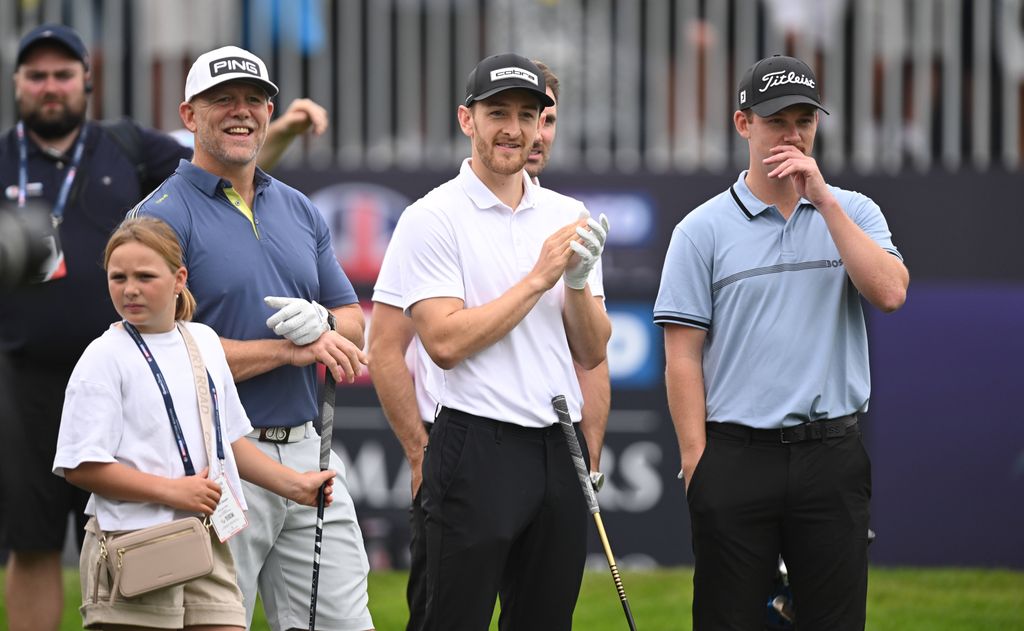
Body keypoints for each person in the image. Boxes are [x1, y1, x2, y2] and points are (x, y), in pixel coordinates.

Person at [0, 23, 327, 631]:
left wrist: (277, 133)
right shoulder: (0, 158)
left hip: (148, 369)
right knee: (35, 539)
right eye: (37, 75)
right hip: (31, 375)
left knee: (146, 533)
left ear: (86, 80)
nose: (51, 86)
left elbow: (219, 167)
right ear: (17, 83)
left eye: (63, 73)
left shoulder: (124, 146)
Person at [654, 54, 909, 631]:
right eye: (776, 121)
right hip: (736, 456)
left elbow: (891, 293)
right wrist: (697, 463)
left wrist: (825, 201)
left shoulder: (855, 211)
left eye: (804, 120)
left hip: (831, 455)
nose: (792, 135)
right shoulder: (701, 230)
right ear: (743, 124)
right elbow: (682, 356)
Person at [130, 45, 374, 631]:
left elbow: (354, 323)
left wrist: (326, 324)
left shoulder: (299, 209)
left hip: (309, 454)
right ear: (190, 115)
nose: (242, 112)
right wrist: (295, 349)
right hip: (210, 465)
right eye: (223, 101)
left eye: (255, 100)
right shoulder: (156, 219)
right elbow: (161, 362)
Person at [368, 57, 611, 631]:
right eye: (496, 112)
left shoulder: (565, 213)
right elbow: (445, 341)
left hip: (558, 448)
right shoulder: (432, 217)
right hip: (476, 441)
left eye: (528, 115)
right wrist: (539, 278)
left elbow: (592, 350)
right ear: (466, 119)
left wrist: (576, 284)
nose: (513, 128)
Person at [52, 216, 336, 631]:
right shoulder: (102, 357)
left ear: (179, 278)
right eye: (118, 277)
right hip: (131, 545)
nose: (130, 289)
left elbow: (228, 442)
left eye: (145, 276)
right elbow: (79, 466)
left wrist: (294, 485)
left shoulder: (203, 340)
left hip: (207, 541)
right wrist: (173, 492)